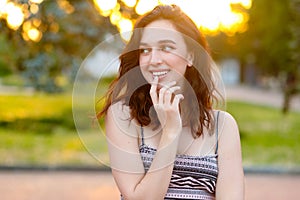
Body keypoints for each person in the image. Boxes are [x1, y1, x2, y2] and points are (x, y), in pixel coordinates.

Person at [98, 4, 244, 200]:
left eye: (166, 48)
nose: (154, 59)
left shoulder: (222, 127)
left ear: (190, 56)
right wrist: (170, 131)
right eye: (145, 50)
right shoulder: (123, 116)